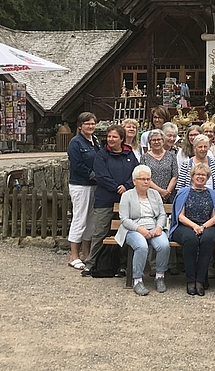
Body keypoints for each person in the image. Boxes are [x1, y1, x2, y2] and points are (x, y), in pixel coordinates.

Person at [82, 124, 138, 277]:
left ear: (121, 139)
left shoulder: (129, 154)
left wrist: (126, 186)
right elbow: (101, 175)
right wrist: (116, 187)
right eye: (109, 136)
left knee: (125, 232)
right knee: (100, 231)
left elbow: (136, 172)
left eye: (114, 137)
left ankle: (122, 264)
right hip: (105, 199)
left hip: (125, 200)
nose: (111, 139)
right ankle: (91, 263)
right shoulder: (101, 154)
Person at [115, 165, 171, 296]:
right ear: (134, 181)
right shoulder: (127, 195)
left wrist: (159, 227)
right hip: (133, 229)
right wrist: (139, 229)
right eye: (142, 179)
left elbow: (162, 214)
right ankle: (138, 280)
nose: (146, 182)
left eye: (148, 179)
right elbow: (124, 219)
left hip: (153, 227)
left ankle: (160, 276)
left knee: (164, 245)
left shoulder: (155, 194)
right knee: (142, 246)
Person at [170, 163, 215, 296]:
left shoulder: (213, 194)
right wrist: (194, 226)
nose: (200, 177)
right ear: (192, 176)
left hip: (206, 225)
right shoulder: (184, 192)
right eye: (198, 174)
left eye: (203, 175)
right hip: (185, 226)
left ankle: (200, 280)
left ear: (207, 177)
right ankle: (190, 280)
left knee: (208, 239)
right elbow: (179, 216)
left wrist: (203, 227)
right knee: (190, 240)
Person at [66, 112, 100, 270]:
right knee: (79, 218)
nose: (91, 126)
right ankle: (74, 255)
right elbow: (77, 164)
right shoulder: (76, 143)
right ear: (80, 126)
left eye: (93, 123)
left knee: (91, 221)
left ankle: (86, 253)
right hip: (81, 185)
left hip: (94, 185)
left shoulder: (95, 141)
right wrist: (92, 175)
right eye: (87, 124)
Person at [140, 129, 178, 203]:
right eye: (153, 140)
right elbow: (144, 177)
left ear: (163, 141)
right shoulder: (144, 157)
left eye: (159, 139)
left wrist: (167, 192)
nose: (156, 142)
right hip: (151, 194)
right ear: (150, 142)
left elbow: (175, 176)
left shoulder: (172, 156)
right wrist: (160, 191)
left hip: (169, 195)